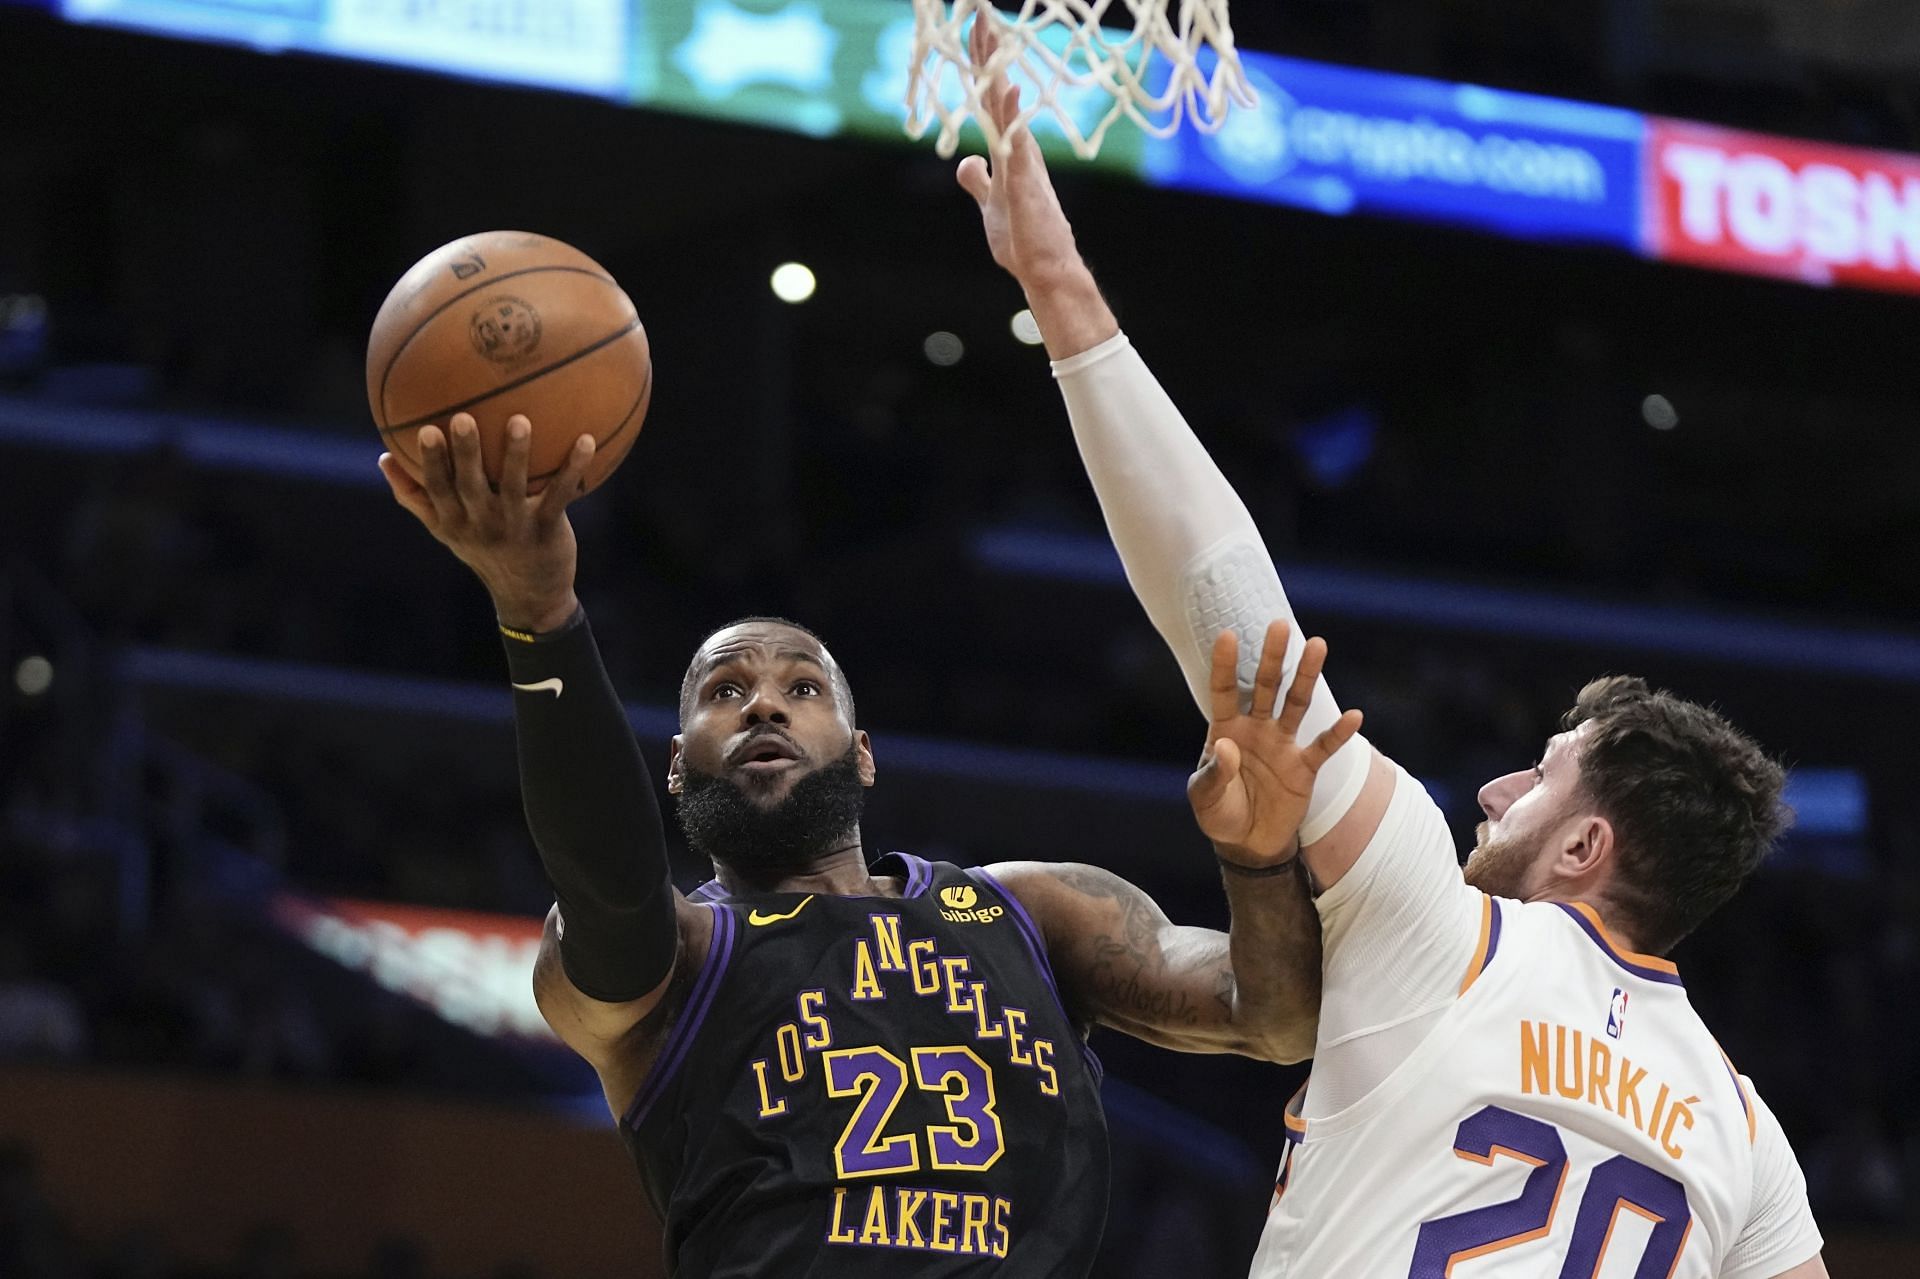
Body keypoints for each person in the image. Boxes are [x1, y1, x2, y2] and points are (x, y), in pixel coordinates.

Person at [954, 36, 1828, 1279]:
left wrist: (1063, 294)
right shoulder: (1749, 1135)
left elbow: (1232, 614)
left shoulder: (1448, 930)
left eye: (1540, 778)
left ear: (1587, 847)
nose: (1493, 789)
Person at [375, 412, 1359, 1273]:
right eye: (725, 694)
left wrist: (1259, 857)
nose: (763, 700)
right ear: (677, 766)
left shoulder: (1035, 910)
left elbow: (1269, 1018)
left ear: (864, 754)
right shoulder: (680, 958)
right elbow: (609, 881)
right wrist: (542, 619)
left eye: (802, 688)